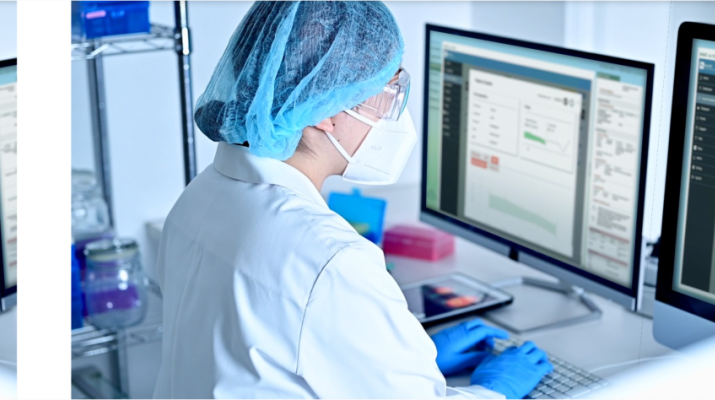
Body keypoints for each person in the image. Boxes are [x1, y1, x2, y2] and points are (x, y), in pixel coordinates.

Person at [151, 1, 552, 398]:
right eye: (389, 91)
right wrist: (494, 390)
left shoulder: (200, 195)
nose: (396, 111)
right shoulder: (331, 260)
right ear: (325, 110)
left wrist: (399, 358)